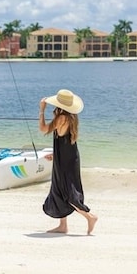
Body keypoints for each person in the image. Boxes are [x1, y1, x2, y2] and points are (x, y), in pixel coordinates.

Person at [39, 89, 98, 235]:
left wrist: (41, 111)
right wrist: (55, 154)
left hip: (65, 162)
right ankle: (63, 225)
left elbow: (43, 129)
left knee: (68, 192)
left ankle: (90, 217)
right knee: (59, 189)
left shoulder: (61, 118)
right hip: (68, 158)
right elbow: (66, 142)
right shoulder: (72, 117)